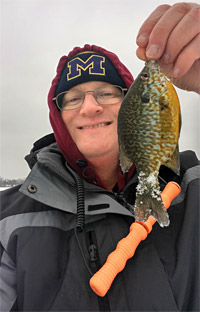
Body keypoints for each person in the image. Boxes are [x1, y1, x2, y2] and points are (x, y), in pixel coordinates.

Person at [1, 2, 199, 311]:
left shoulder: (192, 185)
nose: (90, 107)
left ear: (131, 105)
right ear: (58, 117)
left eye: (107, 93)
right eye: (74, 97)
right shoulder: (8, 219)